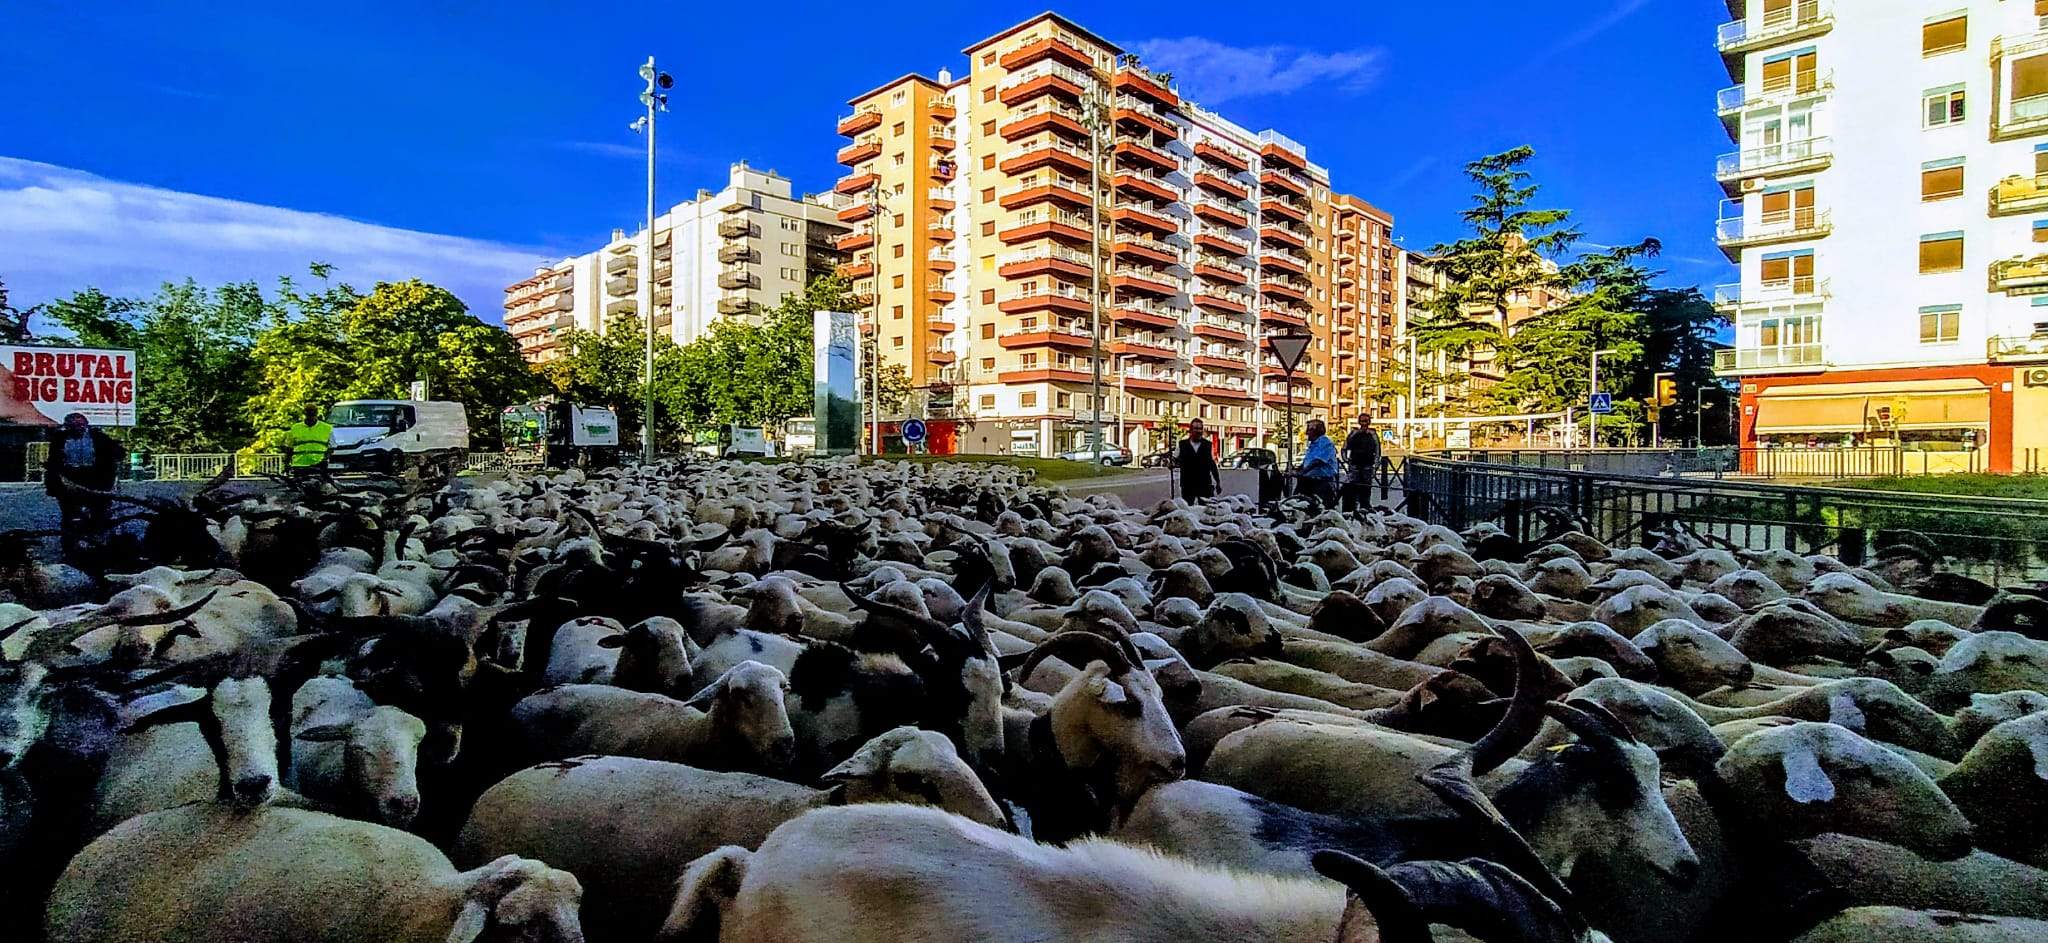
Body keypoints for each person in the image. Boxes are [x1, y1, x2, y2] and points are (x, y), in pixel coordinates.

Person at [45, 412, 122, 561]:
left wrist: (117, 451)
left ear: (86, 424)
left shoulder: (98, 437)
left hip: (95, 478)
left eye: (80, 425)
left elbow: (114, 454)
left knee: (98, 513)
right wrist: (54, 482)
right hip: (69, 479)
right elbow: (53, 461)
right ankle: (69, 547)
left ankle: (98, 545)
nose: (77, 428)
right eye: (73, 426)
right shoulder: (59, 439)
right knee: (70, 514)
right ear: (67, 427)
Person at [1342, 412, 1384, 512]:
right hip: (1355, 465)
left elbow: (1378, 451)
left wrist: (1375, 466)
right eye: (1362, 421)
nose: (1364, 423)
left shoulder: (1373, 434)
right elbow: (1345, 447)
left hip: (1367, 466)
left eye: (1366, 421)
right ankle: (1351, 509)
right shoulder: (1353, 434)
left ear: (1369, 422)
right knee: (1352, 489)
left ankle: (1364, 508)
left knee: (1365, 490)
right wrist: (1346, 460)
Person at [1174, 419, 1222, 502]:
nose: (1198, 431)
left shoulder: (1208, 445)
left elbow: (1212, 465)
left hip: (1204, 484)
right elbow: (1174, 460)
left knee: (1207, 509)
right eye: (1195, 428)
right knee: (1188, 510)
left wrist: (1218, 482)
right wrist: (1171, 464)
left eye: (1200, 428)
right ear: (1191, 430)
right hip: (1187, 484)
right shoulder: (1182, 444)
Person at [1296, 418, 1340, 508]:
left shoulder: (1325, 443)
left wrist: (1303, 472)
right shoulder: (1312, 444)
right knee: (1298, 503)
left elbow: (1318, 461)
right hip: (1308, 480)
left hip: (1321, 482)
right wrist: (1297, 469)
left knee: (1322, 507)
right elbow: (1308, 461)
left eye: (1309, 429)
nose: (1306, 432)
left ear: (1316, 431)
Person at [286, 405, 334, 476]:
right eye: (309, 413)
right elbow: (289, 448)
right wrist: (287, 464)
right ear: (305, 414)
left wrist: (325, 460)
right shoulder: (295, 428)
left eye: (312, 413)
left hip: (318, 465)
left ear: (316, 413)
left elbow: (332, 447)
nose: (310, 416)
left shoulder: (327, 428)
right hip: (300, 465)